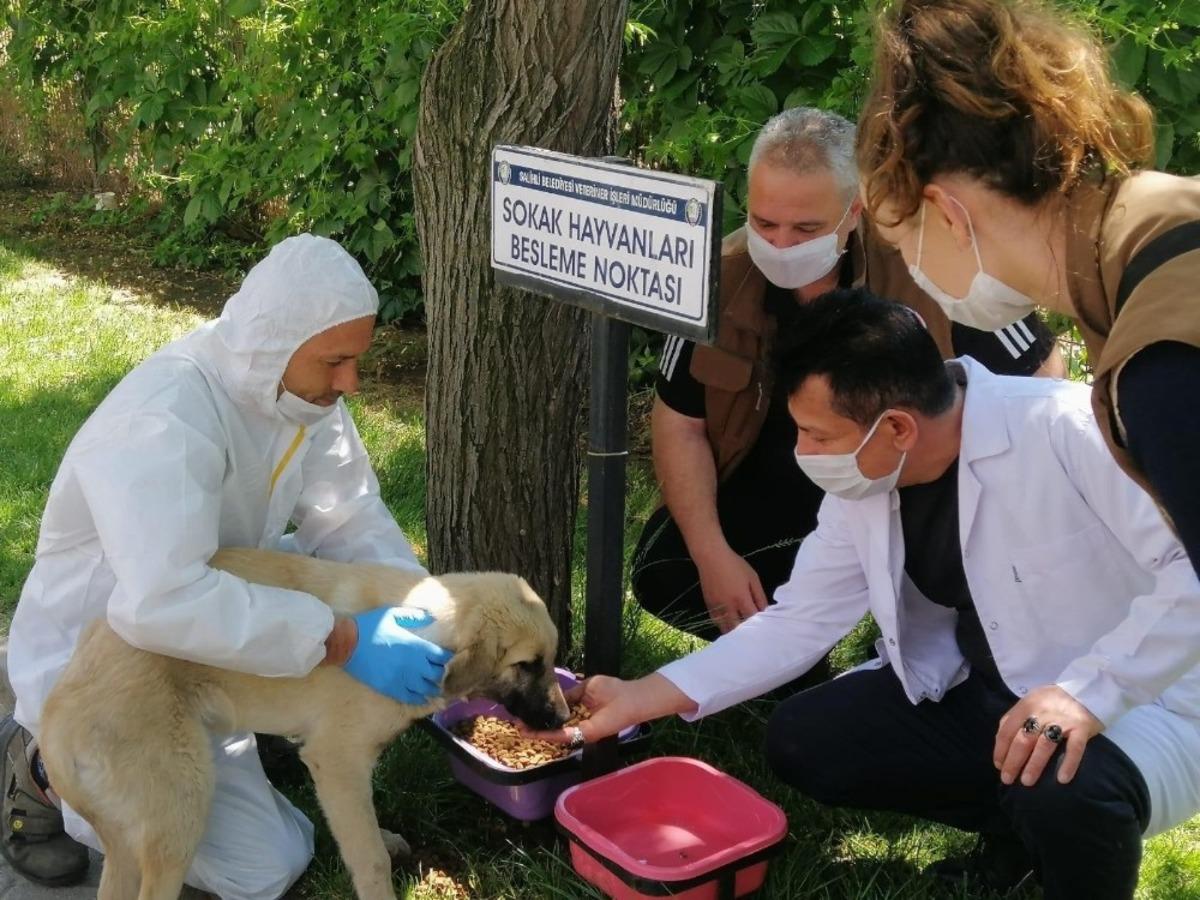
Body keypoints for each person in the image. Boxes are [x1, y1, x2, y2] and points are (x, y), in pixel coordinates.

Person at [536, 291, 1200, 900]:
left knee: (1064, 789)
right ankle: (1017, 842)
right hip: (987, 691)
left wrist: (1088, 692)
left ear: (898, 429)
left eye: (818, 435)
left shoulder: (1070, 430)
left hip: (1142, 702)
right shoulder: (868, 485)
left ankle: (1071, 864)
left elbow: (1193, 571)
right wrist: (640, 694)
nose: (804, 452)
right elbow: (797, 622)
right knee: (807, 740)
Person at [2, 235, 454, 898]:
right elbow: (161, 601)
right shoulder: (165, 418)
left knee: (268, 856)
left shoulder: (300, 395)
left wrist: (412, 616)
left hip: (202, 650)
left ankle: (238, 739)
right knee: (260, 870)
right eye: (337, 362)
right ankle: (41, 767)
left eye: (355, 360)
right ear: (279, 344)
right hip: (107, 671)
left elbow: (352, 518)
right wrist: (347, 639)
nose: (350, 382)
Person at [631, 106, 1062, 644]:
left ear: (854, 211)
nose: (781, 245)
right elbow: (679, 423)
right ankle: (791, 674)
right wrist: (712, 554)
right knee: (665, 567)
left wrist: (1011, 514)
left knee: (956, 603)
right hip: (779, 490)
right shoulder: (719, 278)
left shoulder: (930, 262)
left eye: (806, 228)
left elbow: (1040, 382)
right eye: (765, 223)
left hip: (913, 490)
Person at [855, 0, 1200, 577]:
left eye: (899, 244)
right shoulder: (1162, 233)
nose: (910, 270)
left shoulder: (1159, 362)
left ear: (946, 215)